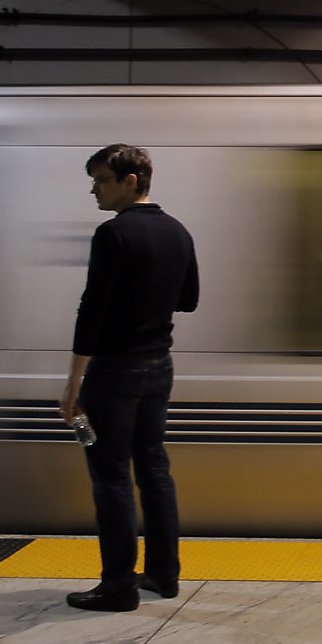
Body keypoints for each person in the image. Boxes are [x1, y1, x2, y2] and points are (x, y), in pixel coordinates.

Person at [60, 143, 199, 612]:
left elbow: (91, 312)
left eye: (101, 179)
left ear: (131, 181)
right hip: (159, 367)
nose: (93, 189)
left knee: (112, 476)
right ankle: (164, 573)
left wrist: (73, 385)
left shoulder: (112, 234)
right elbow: (189, 299)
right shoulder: (178, 232)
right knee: (155, 470)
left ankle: (118, 584)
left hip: (114, 371)